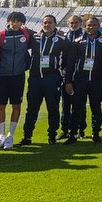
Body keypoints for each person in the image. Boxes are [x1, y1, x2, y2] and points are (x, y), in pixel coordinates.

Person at [20, 15, 71, 145]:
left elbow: (66, 60)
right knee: (31, 109)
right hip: (35, 78)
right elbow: (22, 33)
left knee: (53, 108)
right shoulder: (34, 37)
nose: (47, 25)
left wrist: (63, 75)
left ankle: (52, 136)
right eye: (44, 23)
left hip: (52, 78)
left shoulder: (62, 39)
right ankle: (27, 136)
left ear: (55, 24)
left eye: (49, 23)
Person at [63, 16, 102, 144]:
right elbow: (70, 63)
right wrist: (68, 81)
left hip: (96, 81)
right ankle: (73, 134)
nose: (91, 28)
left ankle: (95, 133)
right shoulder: (77, 42)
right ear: (85, 26)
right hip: (80, 81)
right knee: (77, 108)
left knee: (96, 108)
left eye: (94, 25)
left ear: (99, 26)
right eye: (89, 25)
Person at [0, 11, 34, 150]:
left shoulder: (26, 33)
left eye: (19, 21)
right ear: (9, 21)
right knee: (1, 106)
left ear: (22, 23)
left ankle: (10, 135)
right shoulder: (0, 36)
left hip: (18, 75)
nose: (16, 24)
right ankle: (1, 135)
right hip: (3, 76)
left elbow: (44, 33)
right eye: (13, 21)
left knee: (16, 105)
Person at [59, 15, 85, 141]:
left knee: (79, 103)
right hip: (65, 73)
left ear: (80, 23)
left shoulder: (85, 37)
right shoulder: (64, 37)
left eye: (76, 22)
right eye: (71, 22)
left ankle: (81, 129)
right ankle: (64, 129)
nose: (73, 25)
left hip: (80, 74)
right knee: (65, 103)